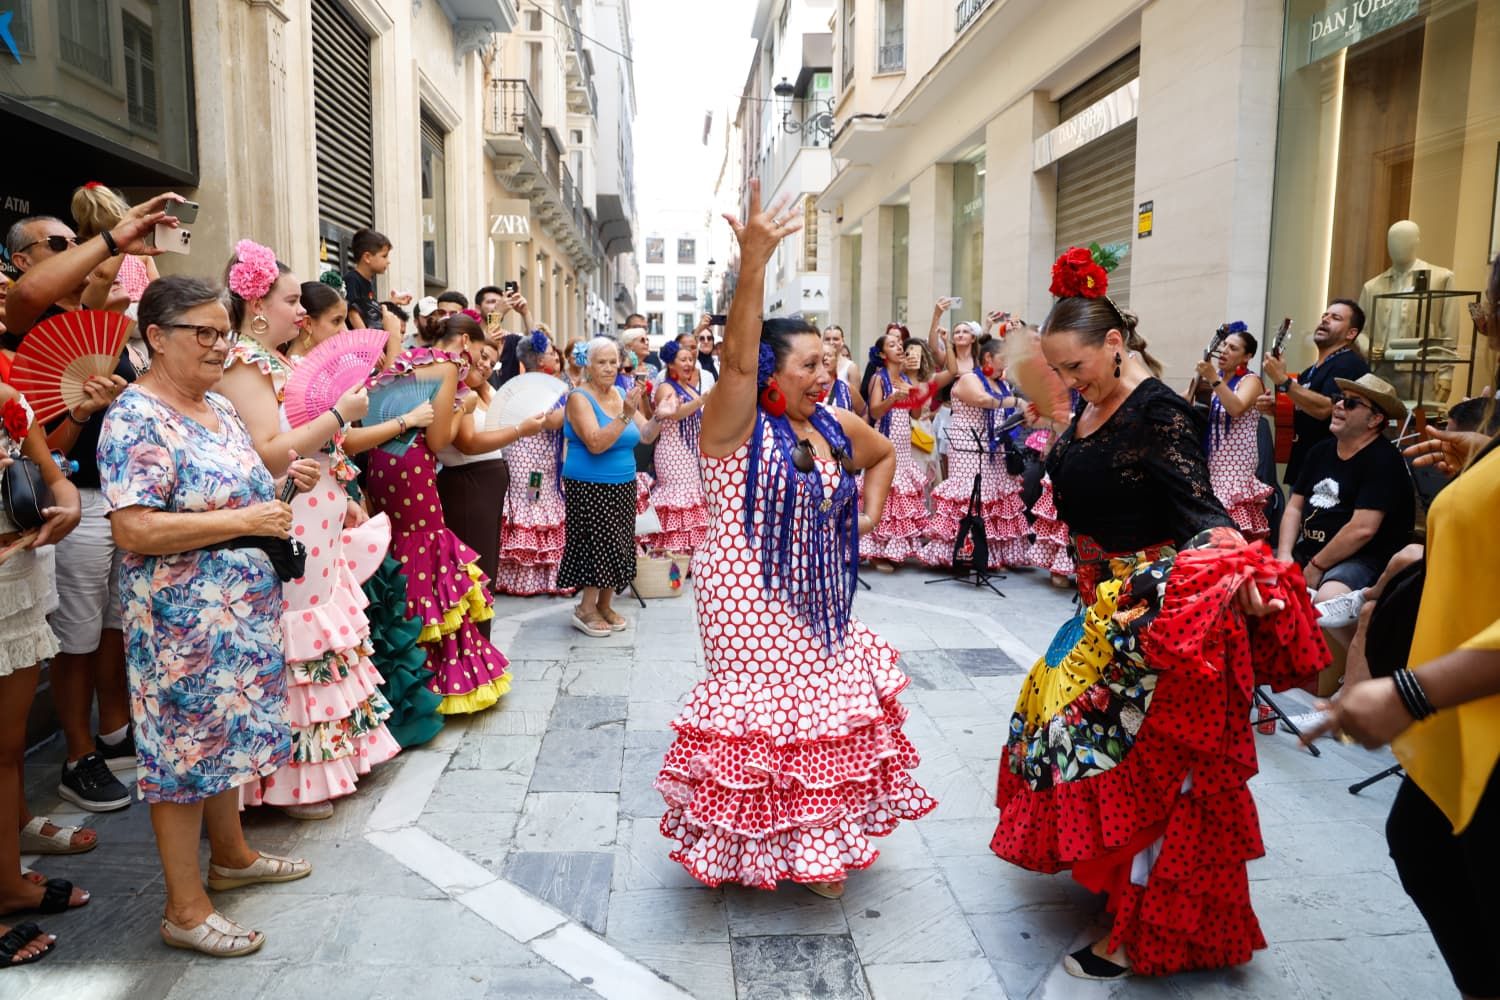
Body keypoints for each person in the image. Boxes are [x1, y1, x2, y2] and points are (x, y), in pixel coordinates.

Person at [990, 248, 1327, 981]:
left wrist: (1231, 564)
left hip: (1155, 618)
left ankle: (1140, 931)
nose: (1069, 381)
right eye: (1062, 370)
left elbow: (1200, 508)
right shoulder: (1094, 398)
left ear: (1114, 344)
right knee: (1079, 746)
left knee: (1153, 777)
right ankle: (1115, 890)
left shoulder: (1160, 412)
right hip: (1101, 611)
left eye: (1075, 366)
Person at [655, 181, 934, 896]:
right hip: (744, 597)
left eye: (827, 362)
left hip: (818, 598)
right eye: (807, 364)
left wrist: (865, 518)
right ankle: (755, 844)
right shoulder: (733, 425)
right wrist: (753, 264)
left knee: (818, 721)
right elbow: (739, 362)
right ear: (771, 374)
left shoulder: (834, 426)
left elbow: (882, 457)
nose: (825, 373)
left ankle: (812, 851)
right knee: (764, 724)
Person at [98, 275, 322, 957]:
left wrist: (284, 488)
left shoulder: (218, 409)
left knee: (223, 744)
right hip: (180, 625)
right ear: (156, 337)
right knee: (181, 760)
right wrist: (246, 517)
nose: (219, 345)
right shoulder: (134, 417)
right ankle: (184, 910)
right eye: (203, 332)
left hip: (239, 617)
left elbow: (238, 493)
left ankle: (230, 858)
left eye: (224, 331)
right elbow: (135, 529)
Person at [1307, 255, 1500, 1000]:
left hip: (1475, 700)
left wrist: (1409, 691)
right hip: (1467, 706)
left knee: (1443, 861)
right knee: (1424, 849)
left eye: (1490, 294)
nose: (1477, 312)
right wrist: (1482, 457)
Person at [5, 194, 182, 813]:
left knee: (112, 624)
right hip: (71, 498)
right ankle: (77, 754)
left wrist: (127, 243)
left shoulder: (96, 324)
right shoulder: (23, 326)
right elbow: (46, 445)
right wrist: (81, 410)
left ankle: (112, 731)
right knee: (75, 638)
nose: (77, 253)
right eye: (61, 245)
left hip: (117, 500)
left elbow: (110, 277)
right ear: (22, 259)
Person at [216, 241, 398, 820]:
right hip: (284, 514)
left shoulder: (277, 361)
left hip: (313, 513)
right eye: (292, 299)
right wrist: (340, 415)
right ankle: (295, 779)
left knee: (317, 627)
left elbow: (307, 441)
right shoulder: (245, 364)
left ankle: (329, 760)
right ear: (257, 304)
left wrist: (340, 492)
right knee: (296, 637)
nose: (302, 311)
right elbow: (271, 455)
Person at [294, 281, 443, 750]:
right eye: (336, 322)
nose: (343, 332)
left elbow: (338, 445)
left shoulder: (319, 375)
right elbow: (342, 439)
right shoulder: (291, 377)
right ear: (306, 322)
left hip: (340, 495)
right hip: (308, 508)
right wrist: (403, 422)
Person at [363, 322, 513, 715]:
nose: (475, 362)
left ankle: (408, 659)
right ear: (464, 342)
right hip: (413, 465)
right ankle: (439, 672)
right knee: (428, 547)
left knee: (400, 550)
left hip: (380, 462)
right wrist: (461, 405)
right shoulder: (446, 365)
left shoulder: (403, 361)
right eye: (478, 352)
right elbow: (439, 440)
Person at [0, 383, 83, 969]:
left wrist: (68, 503)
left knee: (5, 752)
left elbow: (55, 476)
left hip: (15, 576)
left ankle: (6, 882)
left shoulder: (5, 396)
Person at [1277, 373, 1413, 646]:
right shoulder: (1320, 451)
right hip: (1311, 550)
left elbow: (1362, 530)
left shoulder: (1383, 460)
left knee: (1329, 601)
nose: (1338, 406)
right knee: (1254, 578)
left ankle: (1367, 670)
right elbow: (1294, 506)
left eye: (1351, 403)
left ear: (1375, 420)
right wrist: (1284, 555)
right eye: (1339, 399)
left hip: (1364, 559)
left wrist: (1315, 566)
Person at [432, 313, 547, 631]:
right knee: (474, 575)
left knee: (485, 575)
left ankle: (480, 653)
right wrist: (520, 430)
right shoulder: (456, 388)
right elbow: (467, 442)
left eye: (492, 361)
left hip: (487, 487)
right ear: (466, 346)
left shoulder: (480, 389)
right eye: (482, 355)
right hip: (468, 486)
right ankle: (471, 654)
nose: (485, 365)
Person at [559, 337, 661, 636]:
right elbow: (595, 443)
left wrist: (661, 415)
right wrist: (625, 414)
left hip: (623, 482)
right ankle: (585, 608)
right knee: (597, 544)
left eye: (613, 362)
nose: (608, 368)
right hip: (589, 483)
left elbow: (645, 434)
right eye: (601, 362)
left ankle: (604, 604)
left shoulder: (620, 393)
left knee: (618, 544)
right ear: (588, 365)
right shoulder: (579, 397)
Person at [919, 336, 1029, 569]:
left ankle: (993, 554)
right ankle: (963, 551)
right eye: (1003, 358)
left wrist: (1021, 419)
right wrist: (1017, 402)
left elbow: (1003, 414)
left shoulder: (1002, 384)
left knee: (996, 496)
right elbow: (981, 400)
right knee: (970, 495)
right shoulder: (969, 378)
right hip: (968, 447)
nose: (1006, 363)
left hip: (994, 448)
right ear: (988, 357)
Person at [1258, 300, 1370, 485]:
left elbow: (1325, 409)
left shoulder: (1349, 363)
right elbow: (1304, 408)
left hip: (1330, 470)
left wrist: (1283, 380)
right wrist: (1275, 409)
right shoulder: (1310, 371)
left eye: (1336, 318)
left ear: (1351, 333)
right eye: (1324, 315)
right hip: (1305, 465)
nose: (1325, 320)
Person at [495, 333, 571, 596]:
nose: (555, 355)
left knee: (539, 503)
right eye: (551, 351)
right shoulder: (529, 387)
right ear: (539, 359)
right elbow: (549, 420)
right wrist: (576, 399)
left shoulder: (548, 384)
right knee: (533, 503)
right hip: (528, 459)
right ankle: (527, 576)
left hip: (543, 456)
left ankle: (538, 575)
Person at [861, 326, 936, 570]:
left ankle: (895, 547)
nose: (899, 347)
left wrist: (913, 393)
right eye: (892, 345)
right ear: (883, 355)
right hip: (885, 440)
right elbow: (874, 411)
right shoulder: (878, 378)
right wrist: (893, 398)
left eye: (899, 344)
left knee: (900, 500)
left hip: (904, 444)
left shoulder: (904, 378)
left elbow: (915, 413)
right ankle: (877, 551)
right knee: (885, 494)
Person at [1192, 327, 1273, 538]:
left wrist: (1213, 378)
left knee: (1230, 527)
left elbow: (1236, 408)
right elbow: (1185, 401)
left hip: (1236, 466)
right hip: (1213, 462)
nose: (1225, 351)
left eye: (1233, 348)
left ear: (1247, 356)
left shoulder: (1251, 380)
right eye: (1224, 345)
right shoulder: (1215, 379)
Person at [641, 336, 711, 555]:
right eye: (683, 359)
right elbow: (676, 414)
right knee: (677, 499)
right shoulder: (665, 388)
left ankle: (689, 554)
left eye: (691, 359)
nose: (689, 364)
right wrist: (701, 400)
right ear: (671, 364)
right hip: (672, 451)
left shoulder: (687, 387)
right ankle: (671, 552)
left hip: (690, 451)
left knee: (691, 498)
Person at [69, 182, 160, 315]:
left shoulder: (85, 253)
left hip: (105, 316)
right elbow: (158, 290)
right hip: (145, 313)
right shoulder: (139, 253)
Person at [343, 228, 408, 331]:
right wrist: (367, 340)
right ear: (367, 257)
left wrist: (391, 302)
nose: (388, 261)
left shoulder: (368, 282)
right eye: (384, 256)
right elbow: (353, 314)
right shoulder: (352, 280)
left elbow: (369, 310)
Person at [821, 325, 865, 415]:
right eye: (827, 339)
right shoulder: (817, 365)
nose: (831, 342)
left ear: (842, 341)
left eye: (835, 339)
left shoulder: (851, 367)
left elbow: (856, 404)